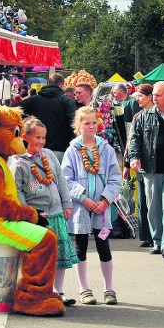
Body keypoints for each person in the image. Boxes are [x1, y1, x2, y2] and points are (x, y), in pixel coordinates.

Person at [10, 117, 79, 307]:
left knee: (59, 255)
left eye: (43, 137)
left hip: (56, 211)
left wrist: (66, 203)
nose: (41, 141)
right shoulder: (19, 163)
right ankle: (44, 290)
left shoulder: (48, 155)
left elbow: (61, 181)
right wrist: (29, 213)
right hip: (39, 216)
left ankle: (60, 291)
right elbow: (17, 191)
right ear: (25, 137)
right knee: (43, 257)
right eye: (37, 137)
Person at [62, 106, 122, 306]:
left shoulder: (106, 149)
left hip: (102, 209)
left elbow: (115, 178)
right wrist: (84, 198)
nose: (91, 126)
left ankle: (109, 288)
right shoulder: (72, 151)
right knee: (81, 247)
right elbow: (66, 179)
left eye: (94, 122)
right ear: (78, 126)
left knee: (103, 245)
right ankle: (84, 288)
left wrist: (105, 200)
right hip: (81, 208)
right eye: (86, 123)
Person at [128, 81, 164, 259]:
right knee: (152, 207)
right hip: (150, 170)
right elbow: (135, 139)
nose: (154, 98)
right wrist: (134, 157)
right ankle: (157, 241)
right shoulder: (144, 116)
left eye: (158, 95)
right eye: (153, 94)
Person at [17, 73, 77, 162]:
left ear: (48, 84)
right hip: (60, 150)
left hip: (36, 148)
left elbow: (15, 111)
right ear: (61, 85)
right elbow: (74, 124)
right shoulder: (67, 102)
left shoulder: (33, 100)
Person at [123, 84, 155, 248]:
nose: (137, 99)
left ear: (150, 96)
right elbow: (131, 141)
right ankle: (146, 235)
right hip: (140, 164)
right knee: (143, 199)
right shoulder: (138, 116)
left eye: (140, 96)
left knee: (155, 201)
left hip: (156, 165)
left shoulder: (160, 114)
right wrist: (127, 164)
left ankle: (158, 234)